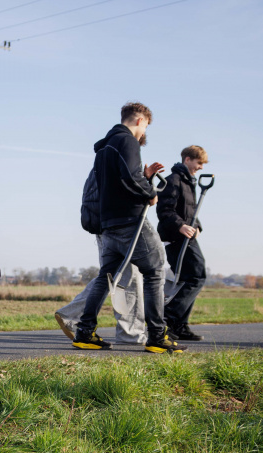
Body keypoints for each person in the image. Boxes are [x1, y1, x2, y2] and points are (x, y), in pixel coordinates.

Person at [73, 102, 185, 354]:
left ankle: (84, 332)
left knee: (106, 277)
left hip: (108, 225)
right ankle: (157, 335)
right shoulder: (127, 141)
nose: (144, 131)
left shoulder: (104, 148)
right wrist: (149, 192)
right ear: (140, 120)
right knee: (155, 270)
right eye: (146, 125)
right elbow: (131, 179)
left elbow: (117, 182)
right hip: (130, 221)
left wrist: (142, 176)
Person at [157, 145, 209, 341]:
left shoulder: (189, 182)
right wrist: (180, 226)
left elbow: (190, 211)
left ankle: (180, 325)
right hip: (176, 237)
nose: (201, 167)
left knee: (188, 280)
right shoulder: (174, 181)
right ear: (187, 159)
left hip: (187, 236)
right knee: (197, 275)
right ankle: (169, 317)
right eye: (199, 162)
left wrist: (197, 227)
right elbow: (164, 210)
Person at [55, 258, 146, 345]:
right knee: (129, 277)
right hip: (128, 241)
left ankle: (71, 313)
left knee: (108, 274)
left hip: (107, 242)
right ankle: (130, 334)